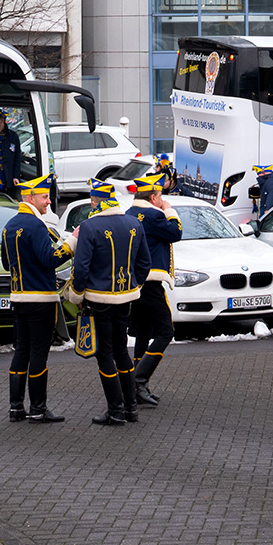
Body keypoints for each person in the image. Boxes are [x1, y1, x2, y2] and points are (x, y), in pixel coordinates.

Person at [69, 178, 144, 426]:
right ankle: (131, 407)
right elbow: (144, 264)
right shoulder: (134, 223)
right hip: (126, 298)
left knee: (104, 354)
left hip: (98, 298)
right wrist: (134, 285)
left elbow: (80, 269)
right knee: (122, 350)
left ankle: (115, 410)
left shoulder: (89, 227)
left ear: (94, 201)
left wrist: (77, 295)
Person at [1, 174, 69, 424]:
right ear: (30, 198)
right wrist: (71, 244)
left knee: (22, 351)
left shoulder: (9, 226)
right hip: (40, 299)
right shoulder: (36, 225)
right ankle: (38, 409)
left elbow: (6, 263)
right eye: (44, 197)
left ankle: (16, 408)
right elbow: (50, 259)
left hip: (19, 299)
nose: (48, 201)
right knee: (39, 353)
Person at [129, 159, 181, 406]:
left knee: (142, 333)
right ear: (152, 198)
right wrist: (169, 210)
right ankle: (138, 380)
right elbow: (176, 232)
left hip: (135, 282)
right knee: (165, 331)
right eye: (160, 195)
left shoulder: (130, 212)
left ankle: (139, 387)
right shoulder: (153, 215)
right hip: (151, 281)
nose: (162, 199)